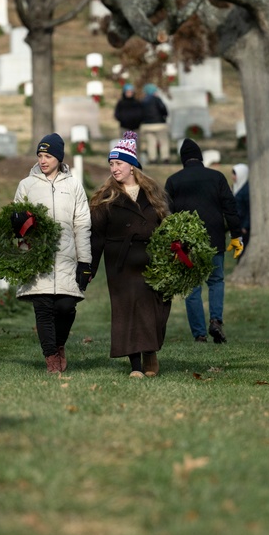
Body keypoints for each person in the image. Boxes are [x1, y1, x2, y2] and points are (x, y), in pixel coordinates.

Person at [89, 131, 172, 377]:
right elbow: (97, 236)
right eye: (111, 164)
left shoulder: (154, 194)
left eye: (119, 163)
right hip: (121, 264)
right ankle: (136, 364)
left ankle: (150, 352)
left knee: (155, 309)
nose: (114, 168)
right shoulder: (105, 198)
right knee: (127, 311)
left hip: (151, 261)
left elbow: (167, 226)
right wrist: (89, 268)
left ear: (133, 166)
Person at [13, 133, 92, 374]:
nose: (43, 160)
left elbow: (82, 224)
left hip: (67, 257)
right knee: (43, 307)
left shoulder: (73, 185)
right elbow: (17, 224)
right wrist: (25, 254)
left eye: (48, 155)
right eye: (40, 155)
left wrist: (85, 262)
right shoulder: (26, 185)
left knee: (66, 307)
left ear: (59, 157)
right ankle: (51, 360)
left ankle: (59, 345)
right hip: (39, 258)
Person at [165, 139, 244, 344]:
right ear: (200, 157)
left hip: (187, 244)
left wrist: (170, 242)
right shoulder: (216, 177)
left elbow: (167, 214)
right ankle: (216, 320)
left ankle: (199, 334)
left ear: (183, 160)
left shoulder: (173, 181)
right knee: (216, 281)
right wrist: (236, 234)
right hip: (214, 239)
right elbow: (230, 207)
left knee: (192, 287)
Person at [232, 163, 250, 260]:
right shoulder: (235, 187)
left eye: (235, 174)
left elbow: (248, 209)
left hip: (244, 226)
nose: (233, 177)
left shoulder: (246, 190)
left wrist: (245, 226)